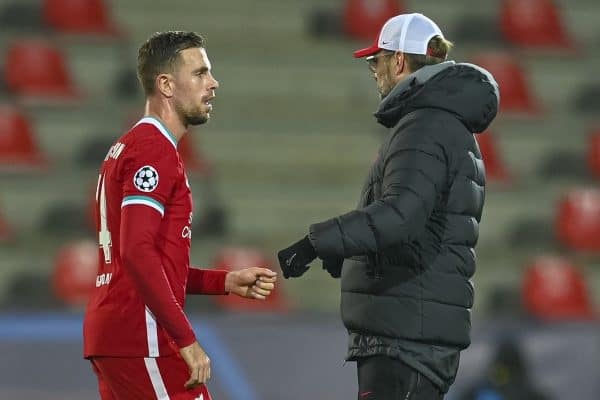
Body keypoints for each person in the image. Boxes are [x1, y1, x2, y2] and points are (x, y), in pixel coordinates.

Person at [277, 13, 499, 399]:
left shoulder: (425, 125)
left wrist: (319, 242)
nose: (373, 71)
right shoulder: (445, 123)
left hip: (406, 341)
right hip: (414, 334)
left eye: (375, 61)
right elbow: (417, 223)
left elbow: (400, 216)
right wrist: (352, 251)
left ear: (399, 61)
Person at [83, 31, 277, 400]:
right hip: (143, 336)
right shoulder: (153, 150)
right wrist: (185, 339)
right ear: (166, 85)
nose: (213, 83)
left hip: (117, 334)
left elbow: (151, 260)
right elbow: (137, 253)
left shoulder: (128, 147)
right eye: (201, 73)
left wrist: (225, 282)